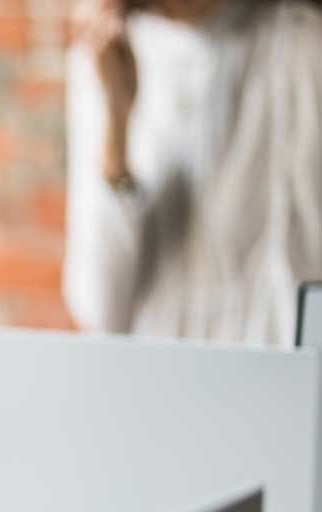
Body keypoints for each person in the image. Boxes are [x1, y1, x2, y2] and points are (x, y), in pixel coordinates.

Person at [65, 0, 322, 345]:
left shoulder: (303, 47)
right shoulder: (105, 58)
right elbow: (98, 308)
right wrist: (117, 123)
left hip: (285, 374)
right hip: (161, 373)